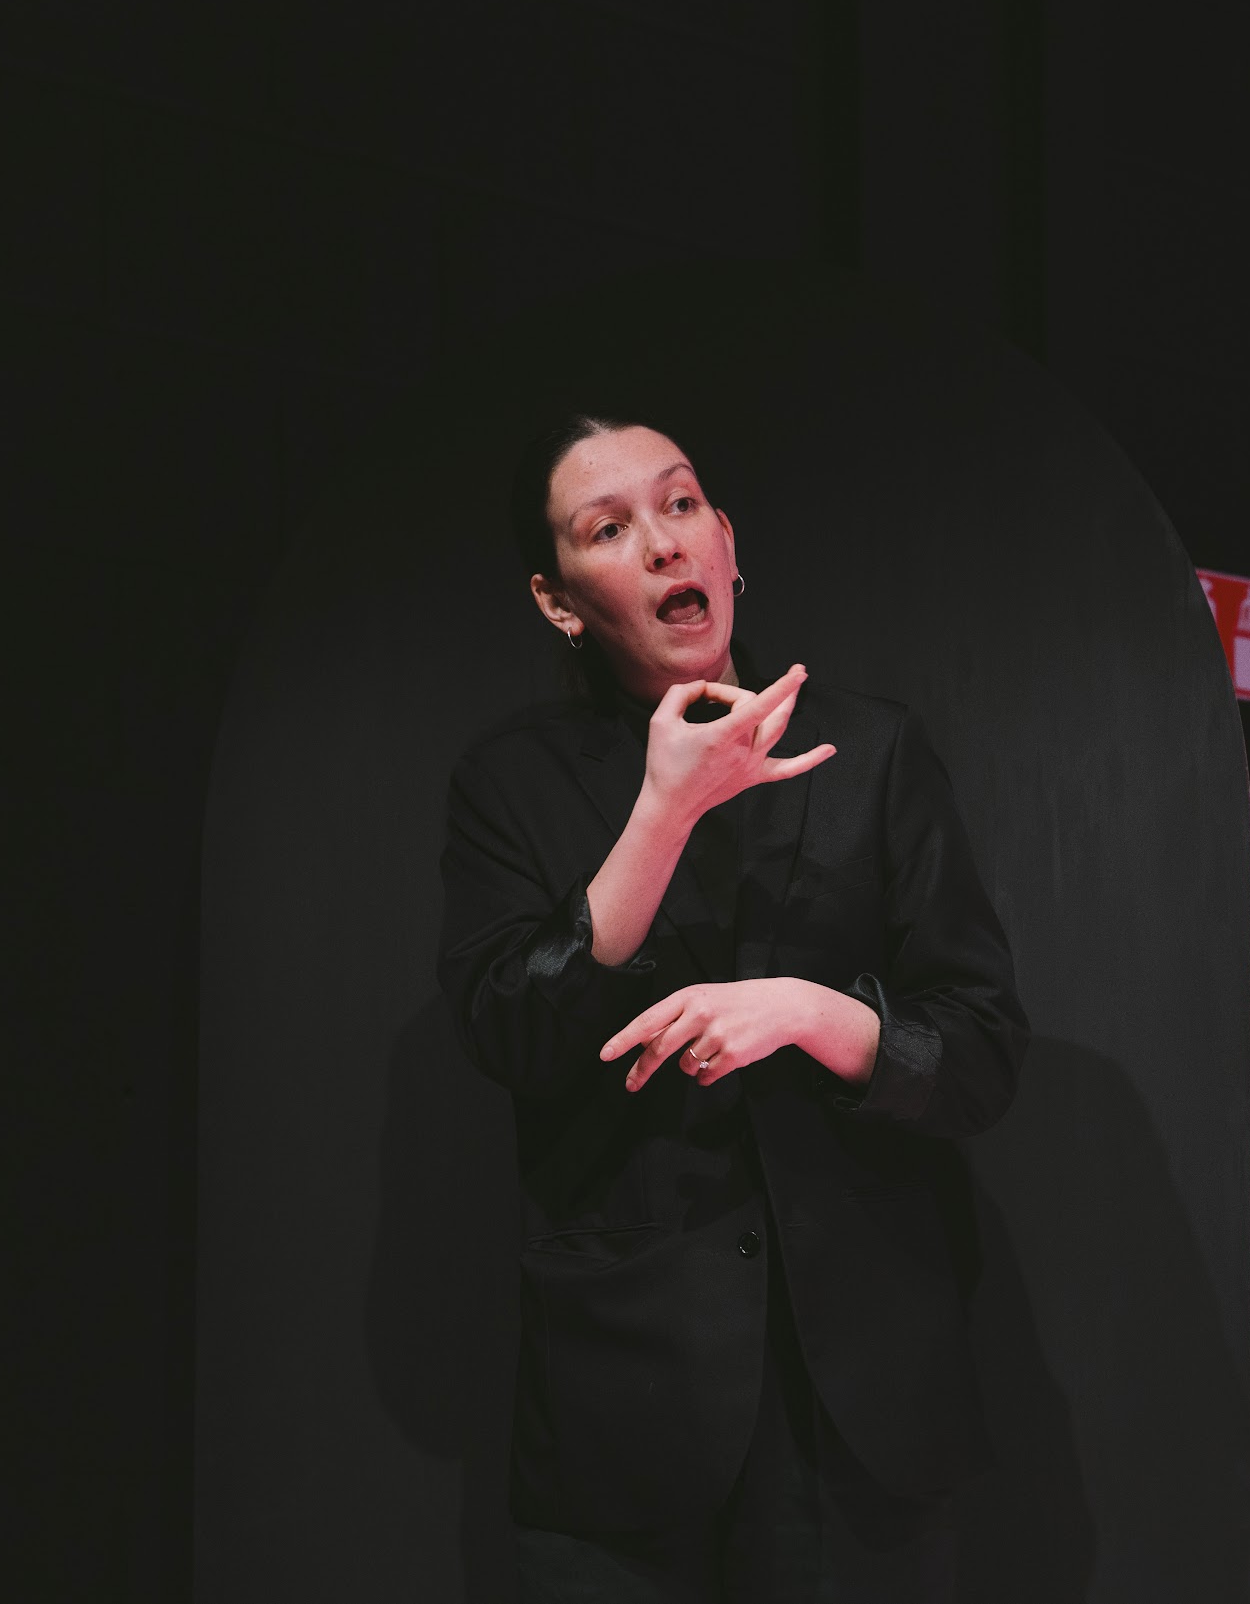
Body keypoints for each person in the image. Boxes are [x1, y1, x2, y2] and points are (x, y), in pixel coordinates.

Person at [437, 415, 1029, 1601]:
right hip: (629, 1414)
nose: (662, 544)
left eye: (681, 503)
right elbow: (509, 1028)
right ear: (559, 600)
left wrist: (814, 1013)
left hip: (862, 1404)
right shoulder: (516, 781)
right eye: (610, 529)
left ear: (726, 538)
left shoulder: (869, 752)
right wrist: (659, 817)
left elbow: (978, 1053)